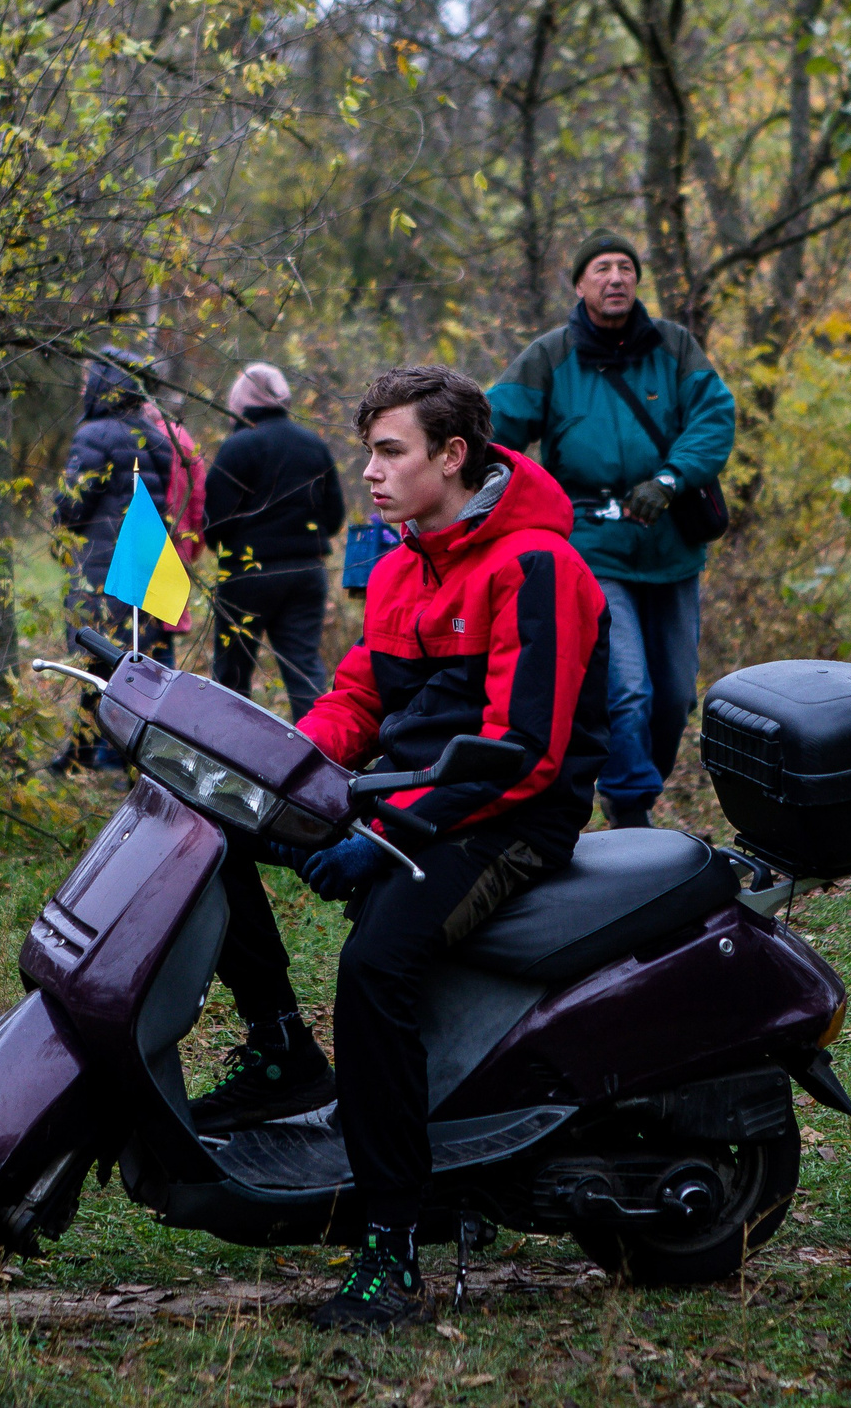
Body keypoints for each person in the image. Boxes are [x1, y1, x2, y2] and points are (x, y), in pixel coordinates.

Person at [278, 364, 610, 1332]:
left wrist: (381, 838)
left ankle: (392, 1241)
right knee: (223, 846)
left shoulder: (536, 569)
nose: (370, 474)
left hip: (507, 819)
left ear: (452, 456)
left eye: (390, 453)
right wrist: (278, 768)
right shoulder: (398, 566)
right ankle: (275, 1055)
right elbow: (357, 701)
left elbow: (523, 754)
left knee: (375, 966)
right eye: (367, 452)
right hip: (411, 807)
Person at [488, 232, 735, 830]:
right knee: (627, 689)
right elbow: (492, 428)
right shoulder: (550, 356)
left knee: (675, 697)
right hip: (590, 546)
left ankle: (634, 789)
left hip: (671, 543)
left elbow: (715, 416)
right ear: (580, 284)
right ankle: (630, 810)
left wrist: (671, 480)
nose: (616, 278)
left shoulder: (674, 347)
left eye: (626, 267)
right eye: (602, 269)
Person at [50, 349, 201, 770]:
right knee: (133, 666)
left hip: (100, 569)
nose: (83, 390)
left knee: (96, 663)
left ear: (103, 385)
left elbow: (72, 506)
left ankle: (96, 757)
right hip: (141, 567)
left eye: (87, 381)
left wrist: (56, 518)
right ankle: (104, 756)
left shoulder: (95, 435)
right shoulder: (154, 435)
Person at [204, 363, 345, 720]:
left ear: (242, 400)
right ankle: (319, 756)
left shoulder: (237, 447)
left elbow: (214, 522)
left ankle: (228, 754)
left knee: (232, 675)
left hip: (246, 577)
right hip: (306, 571)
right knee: (304, 671)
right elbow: (334, 516)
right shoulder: (314, 445)